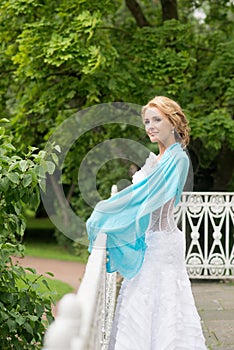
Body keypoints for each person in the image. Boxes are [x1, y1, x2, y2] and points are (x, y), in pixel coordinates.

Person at [87, 96, 207, 349]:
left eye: (157, 120)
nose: (150, 126)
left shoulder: (178, 159)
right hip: (151, 240)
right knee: (140, 301)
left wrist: (106, 210)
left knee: (162, 303)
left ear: (173, 122)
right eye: (146, 121)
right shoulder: (159, 157)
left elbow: (148, 200)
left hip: (162, 243)